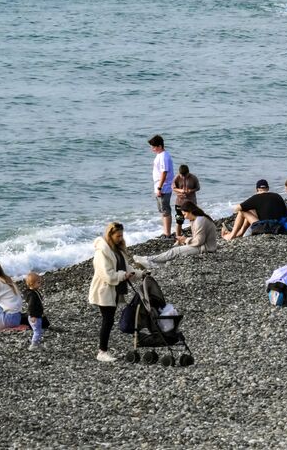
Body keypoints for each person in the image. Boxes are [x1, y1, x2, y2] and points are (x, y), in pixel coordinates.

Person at [89, 222, 142, 362]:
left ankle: (103, 350)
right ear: (110, 235)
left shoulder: (117, 250)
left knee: (109, 320)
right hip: (103, 291)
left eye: (122, 235)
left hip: (113, 290)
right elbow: (107, 275)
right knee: (108, 320)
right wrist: (123, 276)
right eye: (118, 236)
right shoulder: (102, 252)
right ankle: (102, 352)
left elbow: (126, 268)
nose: (120, 238)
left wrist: (141, 274)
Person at [151, 203, 221, 262]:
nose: (184, 217)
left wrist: (185, 240)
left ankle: (149, 259)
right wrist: (184, 240)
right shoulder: (197, 219)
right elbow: (198, 238)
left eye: (184, 214)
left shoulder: (200, 220)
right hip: (204, 246)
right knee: (175, 249)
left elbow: (199, 241)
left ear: (190, 211)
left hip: (206, 248)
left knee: (175, 251)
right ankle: (154, 260)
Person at [223, 179, 287, 239]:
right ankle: (240, 233)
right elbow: (285, 213)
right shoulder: (277, 196)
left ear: (257, 189)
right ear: (268, 188)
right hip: (279, 227)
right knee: (250, 210)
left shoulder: (256, 197)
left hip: (264, 228)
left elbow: (237, 208)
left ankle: (232, 235)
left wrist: (230, 206)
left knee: (242, 211)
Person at [149, 135, 175, 237]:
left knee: (165, 210)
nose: (152, 149)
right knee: (162, 210)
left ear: (160, 146)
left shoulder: (164, 156)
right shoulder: (160, 155)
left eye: (154, 147)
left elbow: (164, 172)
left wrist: (160, 187)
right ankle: (165, 232)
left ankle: (167, 233)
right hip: (160, 186)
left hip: (164, 187)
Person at [172, 164, 200, 238]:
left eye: (185, 175)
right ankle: (178, 237)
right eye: (182, 175)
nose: (184, 177)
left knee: (193, 220)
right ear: (179, 173)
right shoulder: (177, 177)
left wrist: (191, 190)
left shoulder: (193, 178)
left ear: (188, 172)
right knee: (179, 220)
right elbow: (173, 187)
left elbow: (198, 188)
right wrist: (180, 190)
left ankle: (195, 236)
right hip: (179, 202)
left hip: (191, 202)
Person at [23, 272, 46, 351]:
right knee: (37, 331)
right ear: (32, 284)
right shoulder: (32, 295)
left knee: (38, 330)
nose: (40, 284)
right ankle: (34, 345)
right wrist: (32, 315)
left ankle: (36, 343)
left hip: (36, 315)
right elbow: (31, 306)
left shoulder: (34, 292)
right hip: (34, 316)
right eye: (38, 282)